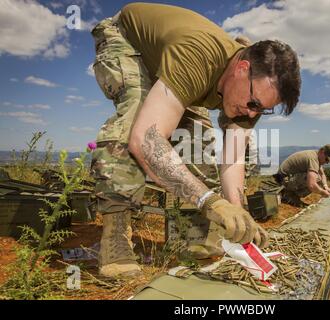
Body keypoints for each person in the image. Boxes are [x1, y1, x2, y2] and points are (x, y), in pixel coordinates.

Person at [89, 3, 301, 277]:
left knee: (200, 151)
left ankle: (197, 241)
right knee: (136, 120)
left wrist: (238, 214)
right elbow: (146, 140)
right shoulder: (197, 56)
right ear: (242, 68)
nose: (252, 112)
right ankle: (115, 237)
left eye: (262, 109)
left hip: (175, 71)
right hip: (126, 39)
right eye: (253, 103)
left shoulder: (251, 98)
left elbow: (233, 159)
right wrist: (210, 202)